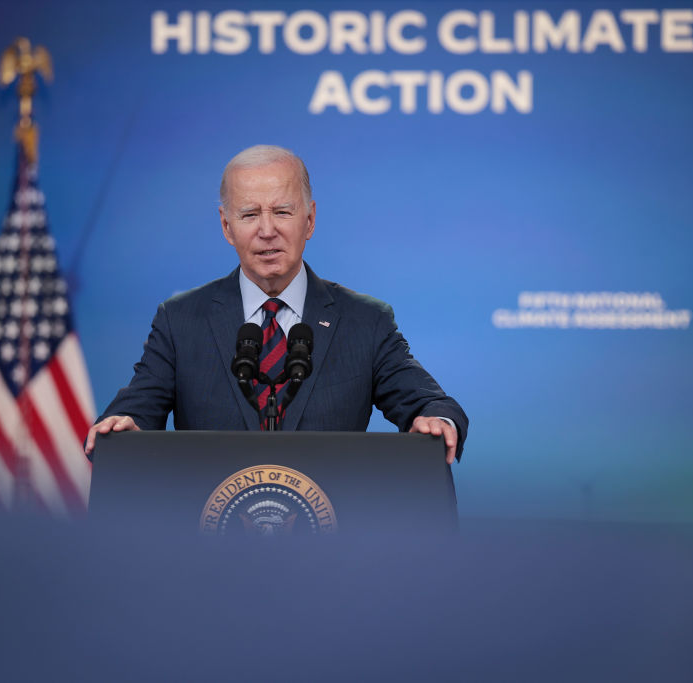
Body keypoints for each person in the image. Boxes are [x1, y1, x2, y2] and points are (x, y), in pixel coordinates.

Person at [84, 145, 468, 462]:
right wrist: (124, 427)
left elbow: (431, 403)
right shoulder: (181, 320)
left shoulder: (365, 321)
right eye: (250, 214)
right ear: (226, 226)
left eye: (282, 212)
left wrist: (436, 420)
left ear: (310, 220)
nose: (267, 231)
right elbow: (137, 408)